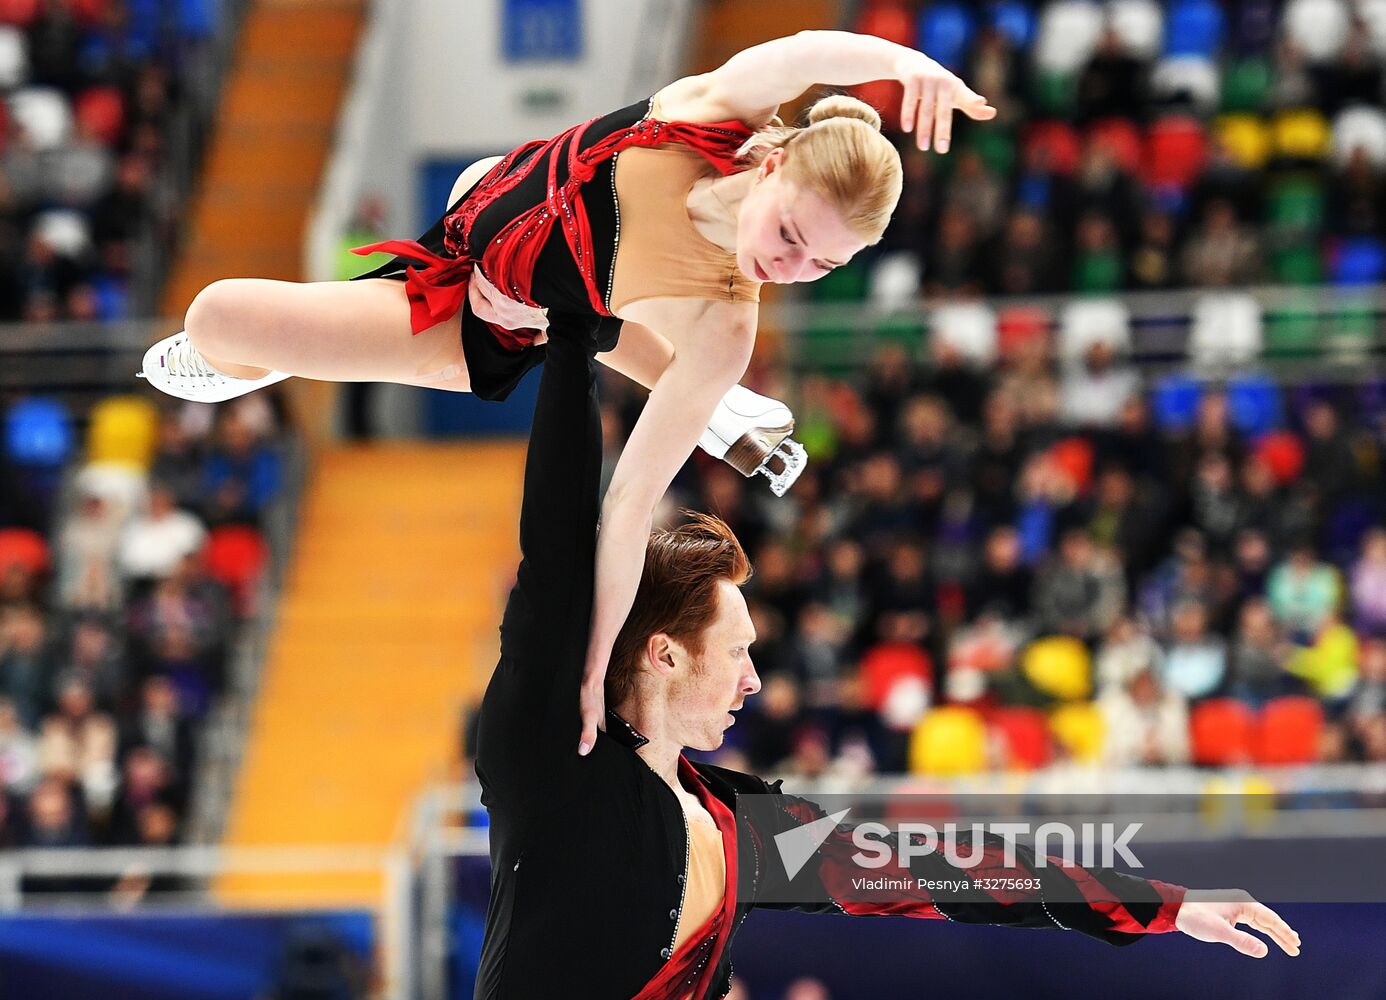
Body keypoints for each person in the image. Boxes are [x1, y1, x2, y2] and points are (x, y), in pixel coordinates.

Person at [138, 30, 1000, 754]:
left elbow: (628, 504)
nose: (790, 266)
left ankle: (703, 409)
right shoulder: (712, 114)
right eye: (789, 235)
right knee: (548, 256)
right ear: (771, 163)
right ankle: (712, 412)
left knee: (217, 318)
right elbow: (808, 49)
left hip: (487, 317)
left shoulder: (730, 323)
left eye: (824, 264)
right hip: (494, 193)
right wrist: (904, 65)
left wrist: (599, 668)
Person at [475, 329, 1301, 999]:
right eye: (737, 652)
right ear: (662, 654)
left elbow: (960, 871)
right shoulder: (554, 760)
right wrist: (571, 336)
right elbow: (554, 549)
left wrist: (1168, 907)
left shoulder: (741, 832)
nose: (754, 680)